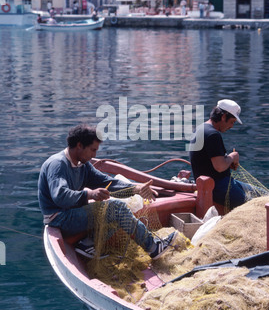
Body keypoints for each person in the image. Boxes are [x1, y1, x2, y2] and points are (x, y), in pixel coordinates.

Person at [38, 124, 176, 259]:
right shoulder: (57, 164)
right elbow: (60, 196)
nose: (94, 155)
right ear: (79, 145)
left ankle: (87, 244)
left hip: (72, 212)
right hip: (59, 218)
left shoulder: (83, 165)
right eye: (93, 150)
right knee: (116, 208)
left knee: (115, 206)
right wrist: (90, 194)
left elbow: (106, 182)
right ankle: (153, 247)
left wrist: (136, 189)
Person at [189, 99, 250, 210]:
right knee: (258, 203)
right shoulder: (213, 134)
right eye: (232, 122)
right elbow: (220, 166)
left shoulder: (201, 128)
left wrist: (229, 161)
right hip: (219, 188)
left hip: (217, 184)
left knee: (262, 194)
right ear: (223, 117)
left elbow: (211, 162)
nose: (231, 126)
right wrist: (233, 156)